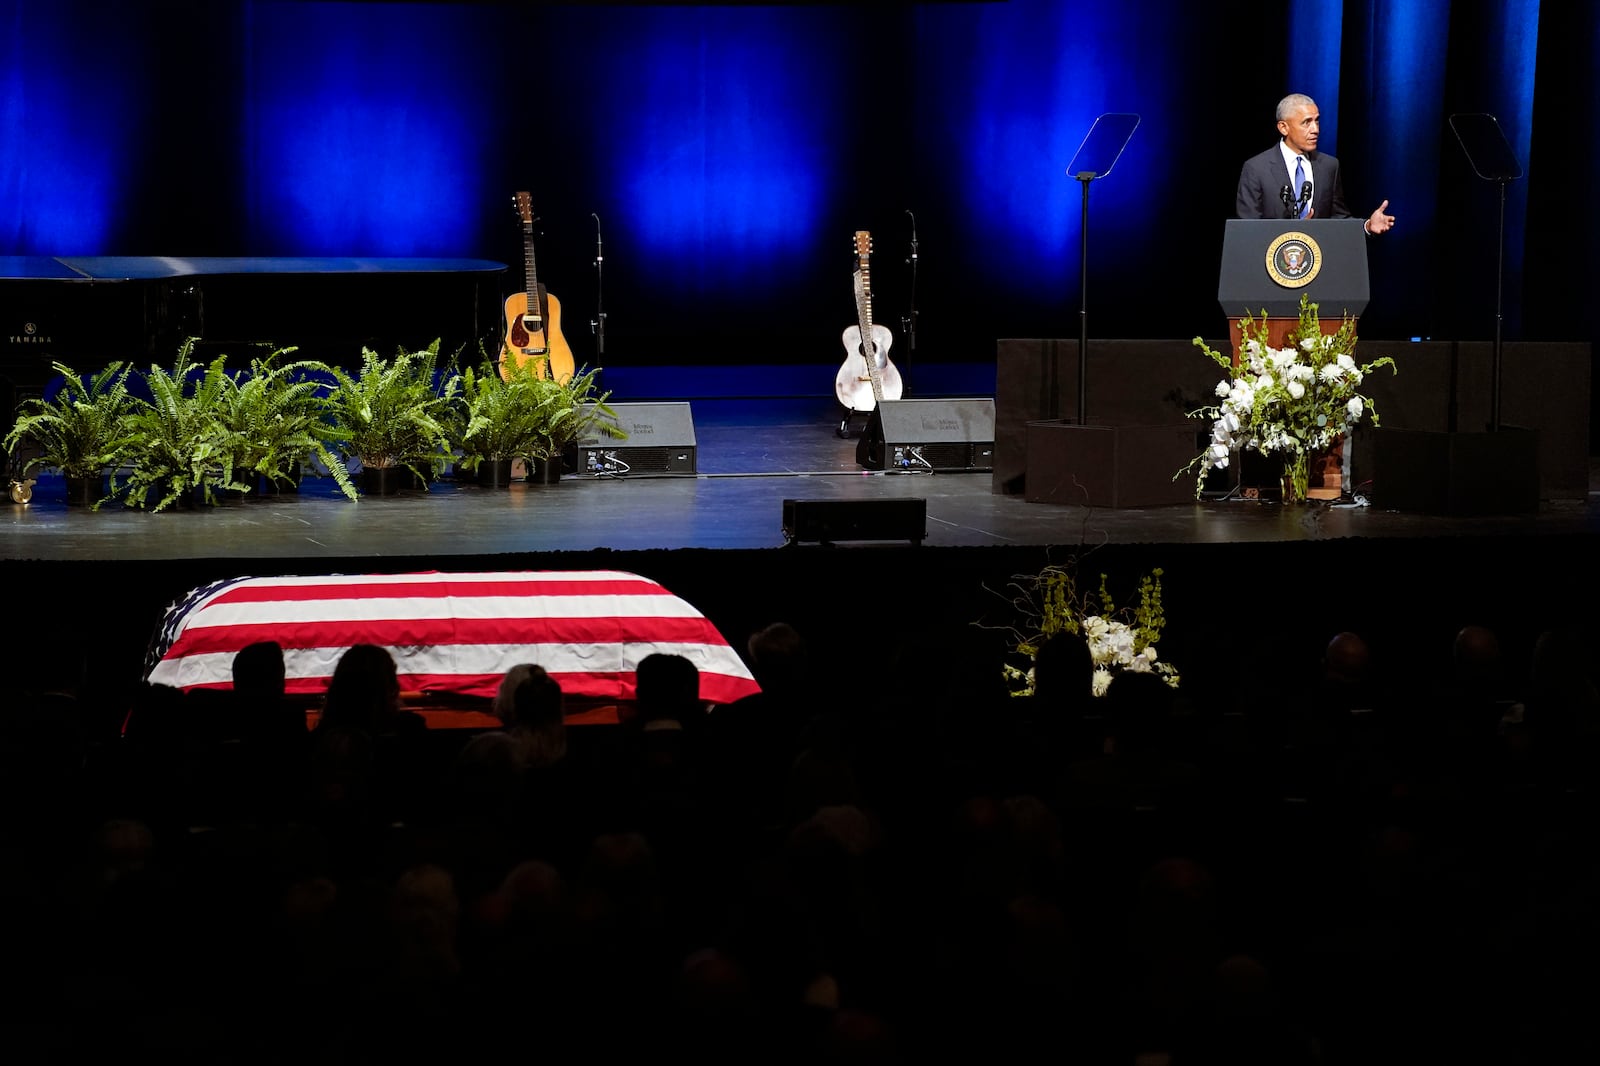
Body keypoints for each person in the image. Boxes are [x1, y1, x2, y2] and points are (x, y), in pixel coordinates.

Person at [1236, 93, 1395, 235]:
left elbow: (1338, 218)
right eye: (1306, 122)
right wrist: (1293, 234)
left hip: (1318, 262)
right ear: (1284, 128)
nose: (1315, 129)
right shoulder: (1256, 168)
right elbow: (1248, 230)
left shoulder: (1329, 166)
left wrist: (1367, 226)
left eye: (1317, 121)